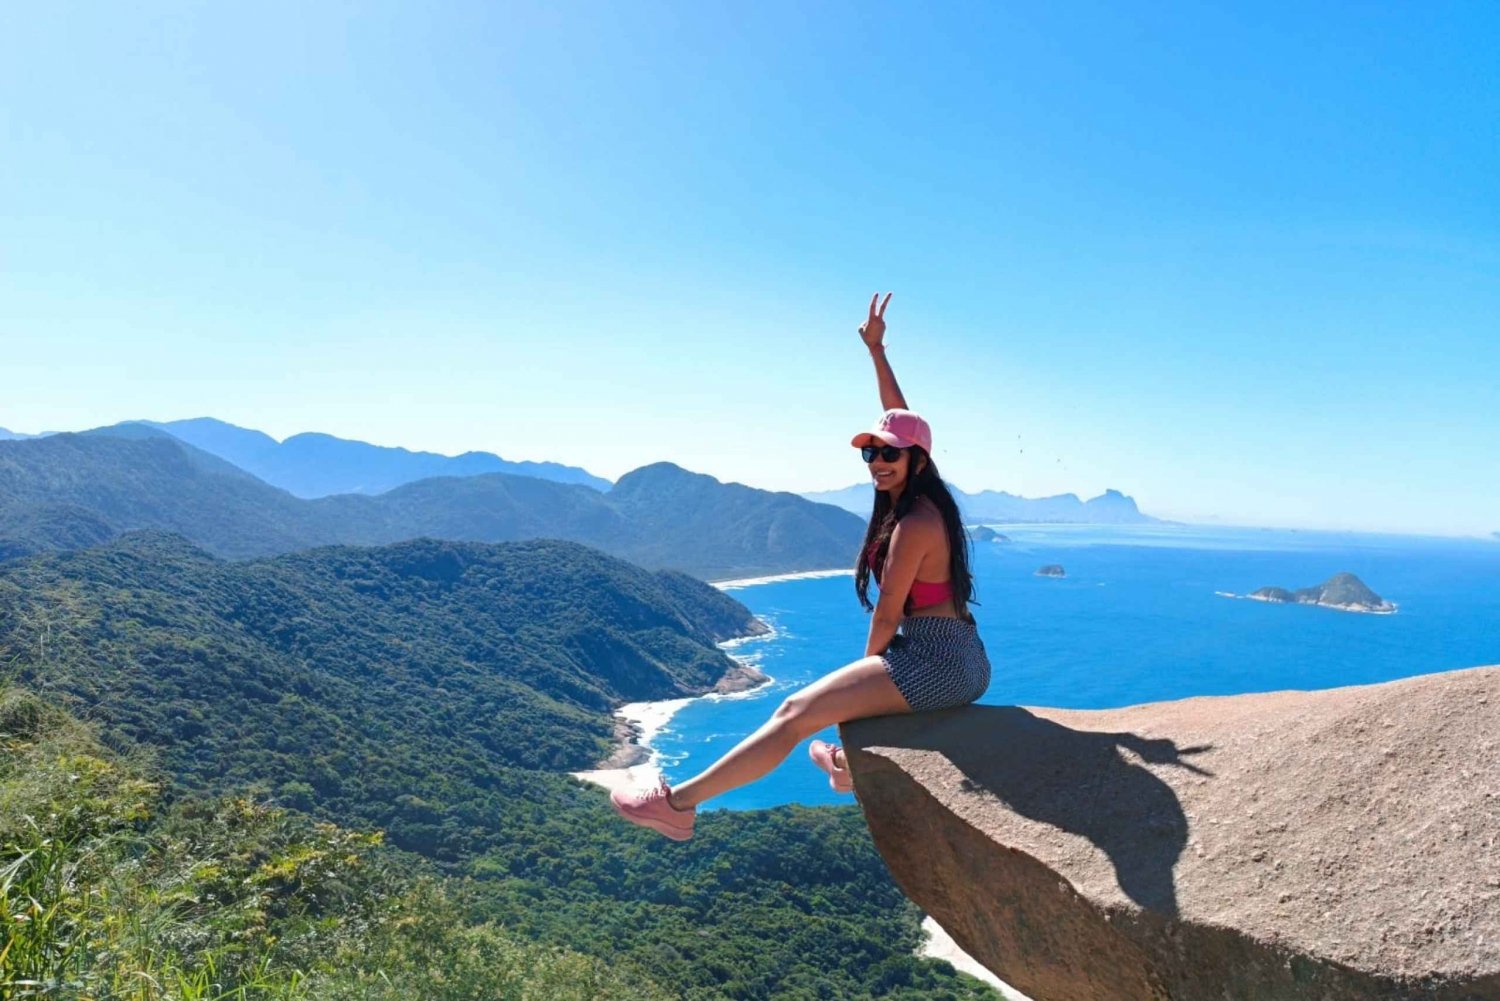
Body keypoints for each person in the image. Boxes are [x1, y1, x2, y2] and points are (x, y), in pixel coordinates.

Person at [611, 293, 991, 840]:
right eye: (870, 454)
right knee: (822, 711)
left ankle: (678, 804)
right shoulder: (927, 498)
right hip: (957, 654)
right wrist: (877, 353)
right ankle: (847, 767)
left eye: (889, 455)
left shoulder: (914, 525)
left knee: (793, 711)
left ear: (916, 461)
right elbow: (903, 422)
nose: (878, 463)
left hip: (938, 660)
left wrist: (858, 695)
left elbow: (886, 616)